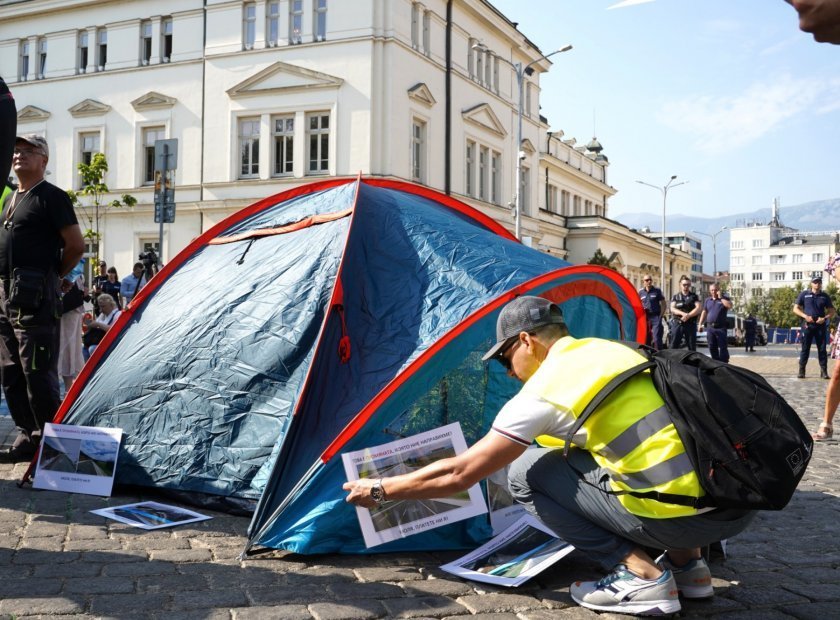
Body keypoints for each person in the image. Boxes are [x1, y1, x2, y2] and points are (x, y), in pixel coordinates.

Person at [344, 296, 755, 616]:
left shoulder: (544, 390)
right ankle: (690, 571)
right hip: (731, 512)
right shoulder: (616, 350)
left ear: (526, 340)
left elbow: (460, 472)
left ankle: (640, 574)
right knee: (626, 454)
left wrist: (380, 489)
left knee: (525, 470)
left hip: (675, 519)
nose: (509, 372)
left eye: (506, 359)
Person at [0, 134, 85, 463]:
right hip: (5, 295)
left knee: (37, 372)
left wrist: (53, 278)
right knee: (10, 371)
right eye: (16, 150)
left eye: (28, 151)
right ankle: (27, 434)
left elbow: (75, 245)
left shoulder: (52, 197)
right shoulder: (10, 198)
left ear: (44, 160)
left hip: (35, 296)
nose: (19, 155)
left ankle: (51, 447)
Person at [793, 276, 835, 379]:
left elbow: (832, 311)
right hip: (807, 325)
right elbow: (795, 309)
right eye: (815, 282)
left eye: (819, 282)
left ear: (821, 284)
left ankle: (824, 371)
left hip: (820, 325)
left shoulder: (824, 296)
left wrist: (824, 318)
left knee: (822, 349)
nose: (817, 284)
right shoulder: (804, 294)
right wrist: (805, 316)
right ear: (811, 283)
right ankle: (802, 370)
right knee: (805, 348)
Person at [58, 265, 86, 392]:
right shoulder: (71, 264)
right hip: (69, 308)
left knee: (70, 346)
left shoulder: (71, 264)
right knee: (69, 347)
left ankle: (69, 388)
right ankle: (70, 388)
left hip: (70, 308)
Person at [698, 283, 733, 363]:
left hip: (721, 328)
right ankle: (716, 363)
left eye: (715, 290)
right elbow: (704, 312)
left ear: (719, 290)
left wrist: (720, 297)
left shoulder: (724, 299)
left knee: (723, 347)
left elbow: (729, 306)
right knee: (712, 346)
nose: (714, 291)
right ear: (710, 291)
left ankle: (724, 363)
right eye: (712, 290)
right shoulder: (707, 300)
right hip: (710, 328)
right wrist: (700, 324)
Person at [83, 293, 120, 359]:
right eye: (100, 306)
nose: (101, 309)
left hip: (112, 342)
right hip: (99, 340)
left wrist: (98, 324)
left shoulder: (117, 314)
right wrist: (88, 323)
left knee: (92, 349)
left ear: (111, 305)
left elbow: (114, 330)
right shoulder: (102, 315)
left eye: (103, 306)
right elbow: (94, 324)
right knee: (84, 347)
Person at [669, 276, 701, 350]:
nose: (686, 286)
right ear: (680, 285)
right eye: (684, 285)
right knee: (673, 345)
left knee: (691, 346)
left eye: (688, 285)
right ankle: (671, 361)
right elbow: (672, 308)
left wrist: (688, 316)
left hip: (690, 324)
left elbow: (698, 308)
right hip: (678, 323)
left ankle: (692, 361)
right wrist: (683, 314)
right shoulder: (676, 297)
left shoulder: (694, 296)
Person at [638, 275, 666, 350]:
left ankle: (659, 354)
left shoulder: (657, 291)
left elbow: (663, 304)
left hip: (655, 317)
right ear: (643, 282)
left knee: (656, 337)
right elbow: (638, 304)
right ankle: (648, 354)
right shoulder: (640, 292)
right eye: (647, 280)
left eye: (650, 280)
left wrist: (661, 315)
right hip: (645, 317)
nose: (649, 281)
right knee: (646, 337)